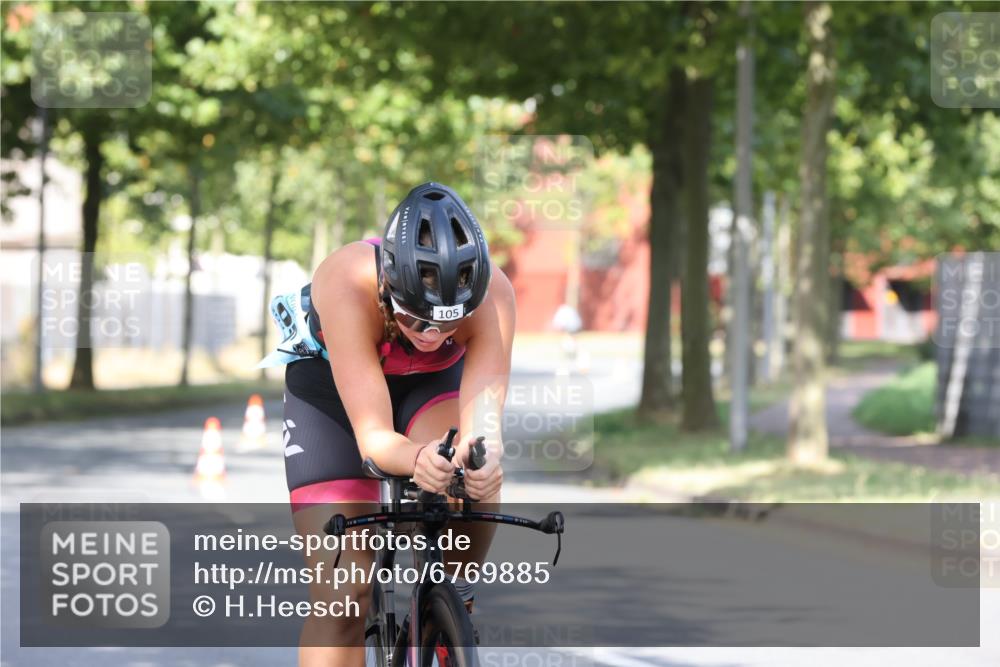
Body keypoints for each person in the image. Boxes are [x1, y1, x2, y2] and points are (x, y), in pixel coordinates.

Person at [262, 182, 514, 667]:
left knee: (470, 471)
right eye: (418, 320)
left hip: (430, 383)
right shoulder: (346, 278)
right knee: (344, 594)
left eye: (448, 324)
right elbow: (375, 440)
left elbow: (484, 426)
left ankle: (453, 594)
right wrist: (415, 458)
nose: (432, 334)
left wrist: (480, 459)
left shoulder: (493, 294)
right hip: (331, 391)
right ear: (388, 283)